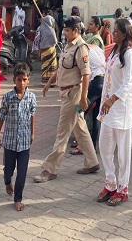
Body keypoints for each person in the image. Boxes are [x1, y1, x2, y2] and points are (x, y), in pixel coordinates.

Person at [34, 16, 99, 183]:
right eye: (64, 30)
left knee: (62, 133)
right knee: (80, 129)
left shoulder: (80, 48)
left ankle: (50, 169)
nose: (64, 33)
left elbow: (86, 75)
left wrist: (84, 97)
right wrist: (49, 82)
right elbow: (61, 68)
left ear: (75, 31)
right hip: (65, 93)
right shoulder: (68, 47)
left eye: (67, 30)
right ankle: (92, 162)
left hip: (74, 96)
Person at [96, 19, 132, 206]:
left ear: (124, 32)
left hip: (122, 109)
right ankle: (110, 183)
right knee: (104, 146)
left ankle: (122, 189)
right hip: (108, 110)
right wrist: (104, 100)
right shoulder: (114, 51)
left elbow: (129, 83)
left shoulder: (129, 53)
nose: (114, 33)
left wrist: (113, 99)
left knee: (123, 153)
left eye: (117, 30)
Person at [0, 62, 36, 212]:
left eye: (24, 80)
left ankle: (18, 198)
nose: (22, 83)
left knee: (22, 171)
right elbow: (1, 117)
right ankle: (7, 181)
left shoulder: (31, 97)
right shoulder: (8, 98)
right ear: (14, 80)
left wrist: (32, 133)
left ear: (28, 80)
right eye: (19, 80)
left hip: (24, 142)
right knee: (9, 169)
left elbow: (32, 115)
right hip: (10, 142)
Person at [32, 15, 58, 85]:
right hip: (51, 50)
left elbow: (37, 39)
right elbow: (55, 41)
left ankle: (45, 82)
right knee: (52, 65)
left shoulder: (40, 28)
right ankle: (52, 82)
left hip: (43, 49)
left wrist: (37, 49)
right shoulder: (51, 30)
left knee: (45, 65)